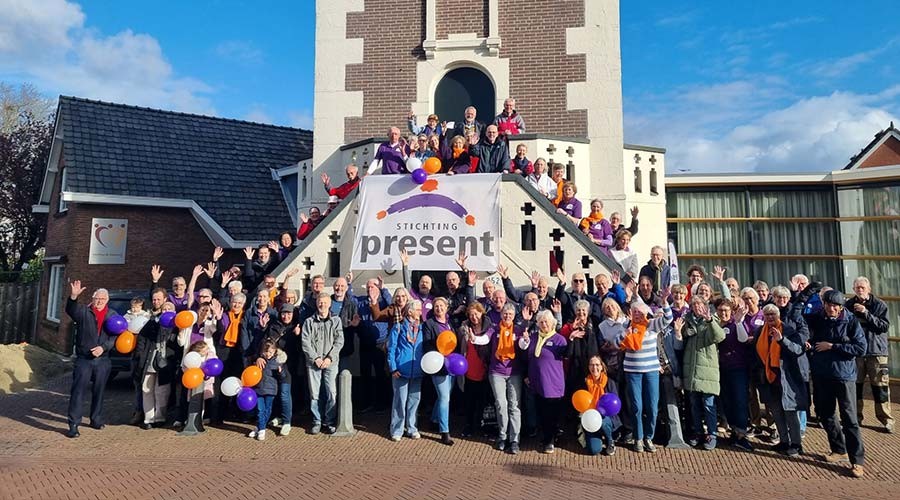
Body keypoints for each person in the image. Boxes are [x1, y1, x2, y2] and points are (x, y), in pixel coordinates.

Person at [804, 289, 867, 478]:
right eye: (828, 305)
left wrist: (833, 346)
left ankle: (857, 461)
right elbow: (797, 315)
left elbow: (860, 348)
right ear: (823, 304)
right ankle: (838, 449)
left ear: (840, 307)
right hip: (822, 374)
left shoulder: (851, 322)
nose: (831, 308)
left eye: (835, 306)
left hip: (844, 376)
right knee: (825, 413)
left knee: (849, 419)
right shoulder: (817, 318)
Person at [619, 293, 672, 453]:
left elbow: (667, 319)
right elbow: (616, 343)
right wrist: (625, 333)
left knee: (652, 406)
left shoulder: (652, 325)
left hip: (651, 371)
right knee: (636, 406)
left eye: (640, 312)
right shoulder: (627, 327)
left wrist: (664, 303)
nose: (637, 314)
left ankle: (649, 437)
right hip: (632, 371)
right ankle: (638, 438)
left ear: (646, 313)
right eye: (635, 312)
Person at [64, 281, 118, 438]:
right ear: (93, 299)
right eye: (97, 298)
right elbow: (70, 310)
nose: (99, 301)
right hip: (84, 359)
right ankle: (73, 424)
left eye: (102, 298)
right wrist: (74, 296)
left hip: (103, 360)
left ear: (107, 300)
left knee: (99, 391)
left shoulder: (113, 315)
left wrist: (104, 347)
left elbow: (117, 336)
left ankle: (96, 419)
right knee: (78, 391)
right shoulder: (84, 312)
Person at [755, 303, 808, 457]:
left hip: (786, 377)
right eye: (767, 315)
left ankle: (796, 444)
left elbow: (798, 350)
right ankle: (784, 441)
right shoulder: (760, 332)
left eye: (773, 314)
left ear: (778, 316)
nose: (770, 318)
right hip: (768, 377)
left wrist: (782, 340)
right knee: (776, 411)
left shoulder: (788, 330)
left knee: (790, 412)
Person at [676, 295, 726, 450]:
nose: (697, 307)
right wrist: (679, 331)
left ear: (705, 305)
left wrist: (710, 320)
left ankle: (712, 434)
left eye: (699, 304)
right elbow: (680, 342)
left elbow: (719, 337)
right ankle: (698, 432)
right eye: (694, 304)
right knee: (694, 404)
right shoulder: (687, 320)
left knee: (708, 404)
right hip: (690, 369)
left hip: (707, 370)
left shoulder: (712, 319)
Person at [845, 276, 893, 433]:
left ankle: (886, 419)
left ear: (869, 289)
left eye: (863, 288)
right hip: (856, 353)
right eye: (857, 288)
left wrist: (866, 313)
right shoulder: (849, 305)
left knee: (880, 386)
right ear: (853, 289)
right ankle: (856, 418)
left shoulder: (879, 305)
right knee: (855, 386)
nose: (860, 290)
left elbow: (883, 326)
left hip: (876, 351)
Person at [521, 309, 568, 454]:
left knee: (551, 413)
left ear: (552, 323)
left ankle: (550, 441)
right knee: (541, 412)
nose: (543, 324)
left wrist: (571, 339)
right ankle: (547, 436)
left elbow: (567, 355)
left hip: (553, 382)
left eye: (546, 321)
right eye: (541, 322)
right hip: (536, 381)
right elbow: (527, 356)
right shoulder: (534, 337)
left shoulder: (559, 339)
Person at [301, 293, 344, 435]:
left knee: (332, 392)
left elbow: (339, 341)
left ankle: (329, 421)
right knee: (315, 394)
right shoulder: (308, 322)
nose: (322, 305)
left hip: (331, 363)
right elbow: (305, 342)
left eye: (325, 302)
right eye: (320, 302)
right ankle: (317, 421)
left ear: (330, 304)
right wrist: (315, 359)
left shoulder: (336, 321)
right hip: (313, 363)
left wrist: (329, 358)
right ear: (316, 303)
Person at [715, 298, 754, 451]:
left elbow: (744, 339)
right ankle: (734, 431)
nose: (723, 313)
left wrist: (738, 322)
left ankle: (742, 435)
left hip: (738, 369)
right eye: (720, 310)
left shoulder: (736, 324)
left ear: (731, 311)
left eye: (726, 310)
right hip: (721, 369)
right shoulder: (715, 325)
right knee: (727, 402)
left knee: (740, 401)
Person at [489, 303, 526, 454]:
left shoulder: (517, 330)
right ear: (501, 314)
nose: (507, 316)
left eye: (510, 314)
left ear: (514, 316)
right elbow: (484, 339)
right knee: (500, 404)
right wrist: (473, 338)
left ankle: (515, 439)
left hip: (514, 372)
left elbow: (523, 346)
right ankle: (502, 436)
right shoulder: (494, 329)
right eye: (505, 314)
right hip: (496, 371)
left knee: (514, 405)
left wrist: (525, 339)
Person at [387, 300, 425, 441]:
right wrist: (393, 367)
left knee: (414, 400)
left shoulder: (422, 328)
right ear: (410, 311)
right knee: (400, 401)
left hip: (417, 370)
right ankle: (397, 429)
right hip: (400, 370)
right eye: (418, 310)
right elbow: (392, 348)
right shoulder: (398, 327)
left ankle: (412, 428)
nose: (420, 312)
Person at [259, 303, 299, 435]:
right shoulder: (273, 326)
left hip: (288, 367)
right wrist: (260, 357)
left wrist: (296, 336)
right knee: (274, 393)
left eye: (289, 313)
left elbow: (298, 349)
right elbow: (265, 344)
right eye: (283, 313)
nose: (286, 316)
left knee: (284, 394)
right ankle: (278, 416)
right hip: (272, 366)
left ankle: (287, 421)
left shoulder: (296, 327)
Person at [422, 297, 456, 445]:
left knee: (445, 396)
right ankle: (444, 432)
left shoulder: (450, 323)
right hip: (438, 366)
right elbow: (427, 345)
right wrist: (439, 354)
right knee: (444, 398)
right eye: (436, 306)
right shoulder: (429, 324)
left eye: (441, 306)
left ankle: (434, 419)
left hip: (452, 366)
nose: (439, 308)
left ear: (446, 308)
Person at [458, 302, 493, 437]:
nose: (474, 317)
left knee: (483, 401)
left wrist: (474, 338)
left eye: (476, 313)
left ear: (481, 313)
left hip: (484, 369)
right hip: (469, 370)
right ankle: (469, 426)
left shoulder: (489, 327)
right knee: (470, 402)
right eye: (471, 314)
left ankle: (483, 425)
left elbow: (486, 340)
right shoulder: (464, 328)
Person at [249, 339, 287, 441]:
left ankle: (258, 427)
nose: (268, 354)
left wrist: (280, 372)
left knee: (267, 410)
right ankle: (262, 430)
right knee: (260, 410)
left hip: (271, 390)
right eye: (266, 352)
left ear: (275, 351)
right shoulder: (259, 360)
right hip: (259, 389)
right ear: (262, 351)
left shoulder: (277, 362)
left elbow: (283, 377)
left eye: (270, 352)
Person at [580, 355, 617, 456]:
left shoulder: (610, 383)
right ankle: (598, 437)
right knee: (594, 450)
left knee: (603, 421)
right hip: (589, 420)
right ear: (588, 367)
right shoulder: (584, 383)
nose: (594, 368)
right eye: (591, 365)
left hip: (606, 418)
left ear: (602, 367)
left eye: (597, 365)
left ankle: (610, 441)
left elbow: (615, 407)